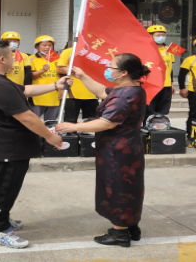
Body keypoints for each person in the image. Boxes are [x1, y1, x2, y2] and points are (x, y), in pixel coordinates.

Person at [0, 41, 71, 248]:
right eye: (12, 56)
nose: (14, 60)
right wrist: (49, 136)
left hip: (2, 143)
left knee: (3, 186)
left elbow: (23, 90)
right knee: (3, 189)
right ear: (2, 59)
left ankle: (1, 218)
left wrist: (55, 85)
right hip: (8, 145)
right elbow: (27, 117)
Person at [56, 54, 149, 248]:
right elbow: (101, 91)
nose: (107, 69)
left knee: (118, 189)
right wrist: (83, 76)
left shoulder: (125, 95)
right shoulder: (130, 89)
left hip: (118, 152)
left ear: (123, 72)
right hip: (124, 148)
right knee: (129, 188)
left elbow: (107, 123)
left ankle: (120, 232)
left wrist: (73, 126)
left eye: (111, 67)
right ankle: (131, 226)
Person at [57, 46, 98, 123]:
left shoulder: (95, 52)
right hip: (71, 93)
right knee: (70, 122)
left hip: (91, 93)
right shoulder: (69, 51)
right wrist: (70, 69)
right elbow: (59, 69)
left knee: (90, 123)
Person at [145, 25, 175, 118]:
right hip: (150, 85)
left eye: (163, 35)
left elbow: (170, 68)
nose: (161, 37)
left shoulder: (170, 49)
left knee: (163, 112)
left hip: (166, 85)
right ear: (150, 36)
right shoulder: (145, 49)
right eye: (158, 35)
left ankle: (161, 126)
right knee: (149, 112)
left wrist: (172, 83)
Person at [30, 35, 60, 121]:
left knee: (51, 122)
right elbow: (31, 75)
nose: (47, 47)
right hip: (37, 95)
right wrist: (42, 71)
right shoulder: (31, 59)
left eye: (50, 45)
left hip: (54, 95)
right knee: (34, 121)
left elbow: (63, 76)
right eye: (44, 45)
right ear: (37, 46)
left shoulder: (58, 59)